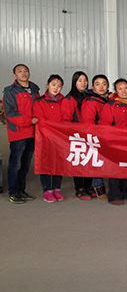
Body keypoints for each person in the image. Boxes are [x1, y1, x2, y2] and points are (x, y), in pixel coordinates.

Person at [3, 64, 40, 204]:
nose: (23, 73)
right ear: (14, 75)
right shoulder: (10, 91)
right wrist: (29, 121)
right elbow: (10, 113)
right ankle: (13, 192)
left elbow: (39, 108)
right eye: (19, 71)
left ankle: (21, 190)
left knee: (25, 165)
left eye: (25, 71)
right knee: (15, 165)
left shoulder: (35, 89)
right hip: (18, 133)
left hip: (32, 133)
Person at [99, 78, 127, 206]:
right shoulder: (110, 105)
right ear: (116, 91)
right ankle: (114, 195)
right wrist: (109, 141)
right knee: (115, 169)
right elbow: (105, 125)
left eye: (126, 88)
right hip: (116, 141)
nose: (124, 91)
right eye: (120, 89)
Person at [61, 71, 93, 200]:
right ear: (74, 82)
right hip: (77, 135)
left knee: (89, 160)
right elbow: (66, 119)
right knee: (79, 162)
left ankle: (88, 186)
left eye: (85, 80)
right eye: (80, 80)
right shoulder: (69, 99)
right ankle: (79, 189)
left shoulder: (88, 96)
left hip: (89, 134)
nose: (83, 83)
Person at [34, 74, 65, 203]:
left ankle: (57, 188)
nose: (56, 88)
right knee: (46, 163)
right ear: (48, 85)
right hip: (45, 137)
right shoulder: (39, 101)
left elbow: (66, 118)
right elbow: (41, 120)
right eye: (53, 85)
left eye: (59, 86)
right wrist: (51, 133)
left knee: (59, 163)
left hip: (61, 138)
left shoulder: (64, 101)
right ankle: (47, 190)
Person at [81, 74, 110, 201]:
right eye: (97, 84)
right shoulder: (91, 102)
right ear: (93, 87)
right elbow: (88, 123)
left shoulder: (108, 100)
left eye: (104, 84)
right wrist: (95, 137)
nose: (101, 87)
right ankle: (99, 188)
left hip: (107, 136)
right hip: (96, 137)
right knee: (97, 163)